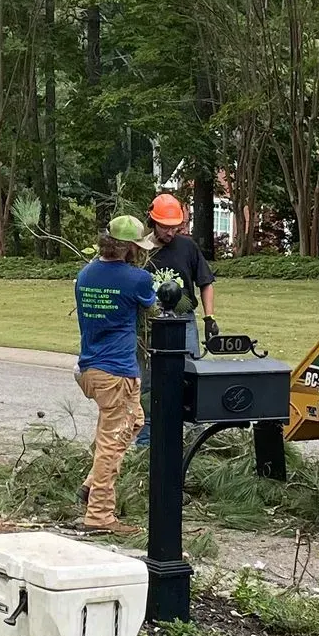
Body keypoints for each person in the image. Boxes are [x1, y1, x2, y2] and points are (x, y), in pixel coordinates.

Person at [73, 214, 155, 532]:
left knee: (134, 421)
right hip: (116, 373)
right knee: (112, 442)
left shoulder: (85, 274)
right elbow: (155, 308)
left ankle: (90, 484)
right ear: (130, 248)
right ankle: (99, 516)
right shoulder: (137, 279)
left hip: (90, 369)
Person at [133, 191, 218, 450]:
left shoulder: (187, 246)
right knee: (149, 379)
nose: (170, 233)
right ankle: (147, 439)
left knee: (190, 376)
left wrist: (209, 317)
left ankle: (195, 438)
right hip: (150, 322)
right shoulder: (140, 251)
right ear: (152, 221)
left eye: (174, 227)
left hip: (184, 318)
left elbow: (206, 282)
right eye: (164, 227)